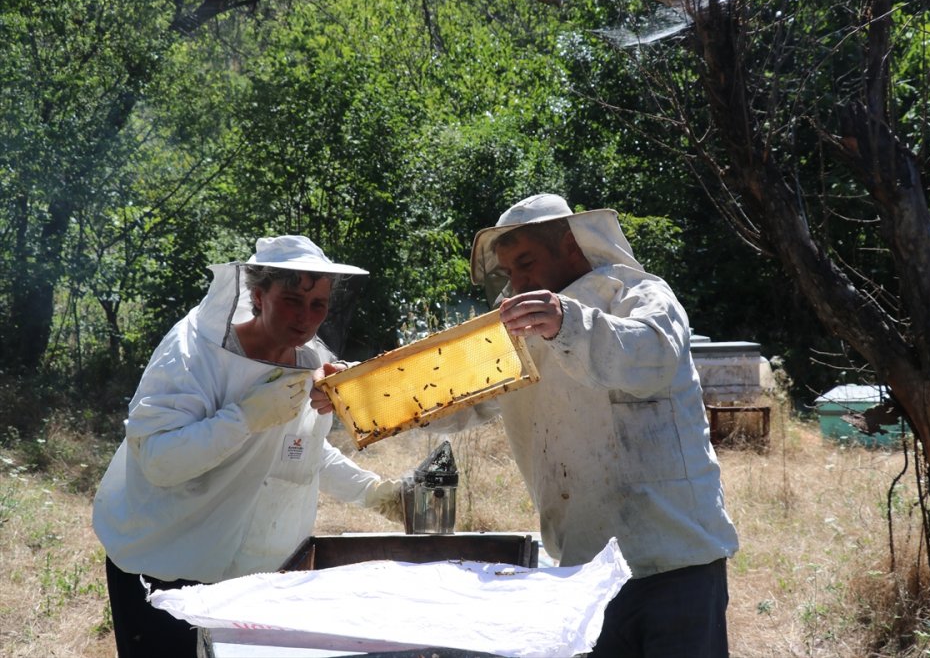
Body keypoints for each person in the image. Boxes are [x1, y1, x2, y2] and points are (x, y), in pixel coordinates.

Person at [312, 194, 739, 657]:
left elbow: (652, 358)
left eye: (527, 262)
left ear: (571, 247)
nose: (518, 282)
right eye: (510, 271)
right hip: (588, 567)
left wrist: (566, 322)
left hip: (676, 562)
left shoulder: (639, 294)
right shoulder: (520, 330)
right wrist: (358, 392)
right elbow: (449, 396)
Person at [93, 235, 403, 658]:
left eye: (318, 305)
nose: (306, 318)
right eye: (293, 300)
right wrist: (244, 418)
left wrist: (371, 492)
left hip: (248, 573)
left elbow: (301, 448)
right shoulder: (192, 352)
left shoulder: (309, 360)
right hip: (164, 559)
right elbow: (160, 460)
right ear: (258, 296)